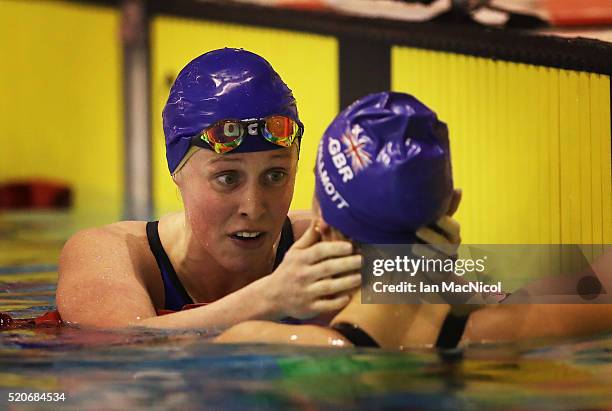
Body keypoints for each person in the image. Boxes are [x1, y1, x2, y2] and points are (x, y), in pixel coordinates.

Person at [55, 49, 458, 329]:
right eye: (227, 178)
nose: (254, 206)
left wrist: (438, 271)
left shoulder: (323, 242)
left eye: (276, 175)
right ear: (177, 171)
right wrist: (270, 300)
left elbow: (494, 297)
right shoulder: (109, 251)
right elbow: (116, 347)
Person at [215, 91, 612, 349]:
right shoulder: (507, 332)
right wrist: (455, 283)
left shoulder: (260, 344)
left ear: (324, 223)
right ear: (451, 207)